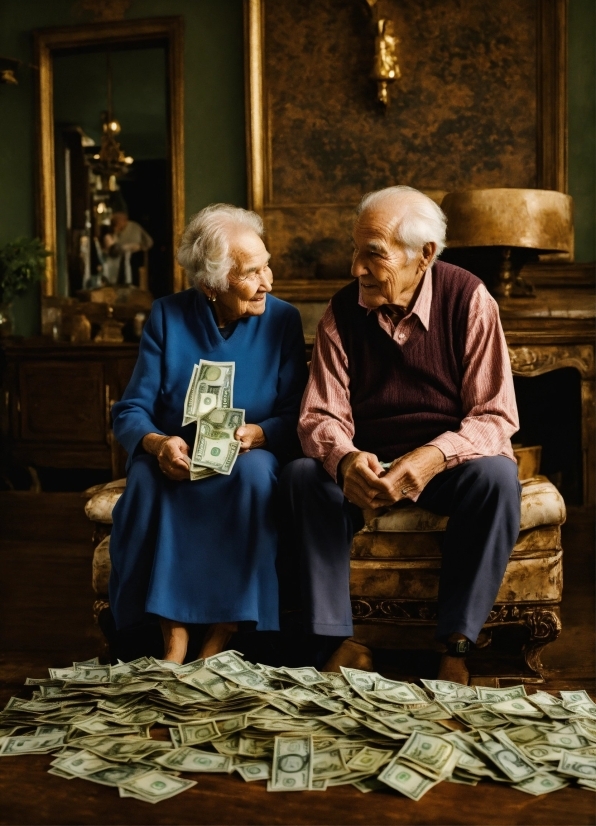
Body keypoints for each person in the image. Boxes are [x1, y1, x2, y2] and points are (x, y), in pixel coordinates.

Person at [279, 185, 521, 683]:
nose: (356, 269)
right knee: (303, 475)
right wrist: (346, 461)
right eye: (355, 251)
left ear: (424, 255)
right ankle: (336, 641)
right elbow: (318, 416)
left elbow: (495, 416)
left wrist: (433, 457)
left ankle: (455, 645)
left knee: (498, 477)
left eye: (373, 255)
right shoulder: (341, 312)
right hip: (366, 461)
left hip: (446, 464)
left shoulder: (470, 299)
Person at [108, 204, 308, 663]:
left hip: (247, 452)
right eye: (252, 273)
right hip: (175, 454)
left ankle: (221, 634)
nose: (268, 282)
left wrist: (258, 434)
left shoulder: (282, 320)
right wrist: (158, 444)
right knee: (145, 478)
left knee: (256, 477)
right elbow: (131, 409)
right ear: (211, 285)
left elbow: (296, 411)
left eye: (267, 266)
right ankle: (172, 632)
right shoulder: (166, 316)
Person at [103, 210, 153, 286]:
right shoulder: (115, 232)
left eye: (117, 223)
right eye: (114, 224)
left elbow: (149, 242)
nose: (116, 226)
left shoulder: (135, 227)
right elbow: (113, 248)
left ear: (124, 221)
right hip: (118, 262)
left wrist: (140, 247)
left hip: (136, 259)